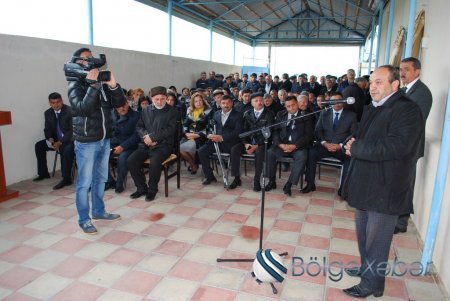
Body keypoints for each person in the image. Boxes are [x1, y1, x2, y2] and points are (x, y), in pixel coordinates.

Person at [341, 65, 422, 298]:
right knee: (364, 234)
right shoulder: (375, 107)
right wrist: (352, 141)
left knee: (377, 239)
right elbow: (363, 136)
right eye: (372, 82)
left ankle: (372, 284)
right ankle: (368, 269)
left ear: (395, 84)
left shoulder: (406, 110)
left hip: (385, 187)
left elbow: (397, 146)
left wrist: (357, 147)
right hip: (367, 183)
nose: (372, 87)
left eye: (379, 82)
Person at [67, 47, 125, 234]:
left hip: (104, 139)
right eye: (84, 60)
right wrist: (93, 86)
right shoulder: (75, 86)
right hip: (86, 141)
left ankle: (99, 212)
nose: (88, 62)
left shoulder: (99, 83)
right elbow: (83, 109)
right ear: (76, 63)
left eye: (90, 59)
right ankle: (84, 219)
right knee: (84, 183)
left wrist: (113, 85)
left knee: (101, 178)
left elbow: (119, 104)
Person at [394, 57, 433, 234]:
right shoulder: (404, 90)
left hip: (409, 148)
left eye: (407, 69)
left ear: (417, 71)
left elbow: (414, 122)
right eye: (401, 69)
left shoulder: (422, 93)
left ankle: (401, 222)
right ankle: (394, 216)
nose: (402, 73)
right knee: (398, 182)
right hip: (398, 145)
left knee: (405, 184)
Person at [127, 86, 179, 202]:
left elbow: (170, 129)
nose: (160, 102)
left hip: (163, 146)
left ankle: (152, 190)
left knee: (155, 162)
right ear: (152, 98)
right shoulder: (146, 110)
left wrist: (153, 137)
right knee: (131, 160)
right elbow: (139, 127)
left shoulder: (173, 111)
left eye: (162, 99)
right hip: (146, 145)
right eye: (157, 99)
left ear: (166, 98)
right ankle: (141, 188)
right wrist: (146, 137)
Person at [302, 92, 357, 195]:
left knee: (350, 158)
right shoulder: (324, 113)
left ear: (343, 102)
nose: (336, 103)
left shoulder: (351, 116)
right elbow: (317, 131)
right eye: (333, 101)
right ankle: (310, 184)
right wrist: (324, 143)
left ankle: (343, 188)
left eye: (339, 100)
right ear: (330, 102)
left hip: (341, 147)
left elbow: (353, 134)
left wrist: (340, 145)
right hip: (325, 146)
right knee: (311, 153)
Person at [265, 95, 313, 196]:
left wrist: (295, 146)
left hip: (298, 147)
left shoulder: (306, 116)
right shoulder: (280, 114)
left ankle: (289, 184)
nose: (291, 108)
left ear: (297, 104)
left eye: (293, 105)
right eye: (288, 106)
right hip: (283, 145)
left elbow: (308, 136)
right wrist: (280, 144)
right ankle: (271, 181)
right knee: (270, 152)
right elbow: (275, 132)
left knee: (302, 156)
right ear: (285, 107)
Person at [229, 92, 275, 191]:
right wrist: (246, 144)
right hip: (249, 142)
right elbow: (243, 131)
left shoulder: (270, 114)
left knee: (259, 152)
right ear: (252, 103)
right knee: (234, 149)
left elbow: (269, 133)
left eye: (261, 100)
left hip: (263, 143)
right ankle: (237, 178)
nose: (259, 102)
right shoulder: (247, 114)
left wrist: (256, 145)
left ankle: (257, 180)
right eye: (256, 101)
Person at [198, 95, 243, 185]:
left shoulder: (238, 115)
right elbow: (212, 127)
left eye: (228, 103)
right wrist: (211, 134)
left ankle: (237, 179)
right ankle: (210, 176)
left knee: (235, 151)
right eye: (223, 103)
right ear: (220, 104)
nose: (226, 105)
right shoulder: (216, 114)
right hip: (216, 142)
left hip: (231, 143)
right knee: (201, 151)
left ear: (232, 103)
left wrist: (222, 137)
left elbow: (238, 132)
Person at [33, 92, 74, 190]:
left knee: (65, 149)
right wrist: (50, 139)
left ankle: (66, 178)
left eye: (58, 102)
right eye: (53, 103)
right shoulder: (48, 113)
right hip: (55, 140)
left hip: (70, 140)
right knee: (38, 145)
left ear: (62, 101)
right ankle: (43, 173)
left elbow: (72, 130)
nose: (56, 105)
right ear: (49, 103)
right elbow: (47, 129)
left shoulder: (70, 111)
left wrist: (60, 142)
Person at [105, 101, 140, 193]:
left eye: (124, 105)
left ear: (128, 104)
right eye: (119, 106)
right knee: (99, 154)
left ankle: (119, 184)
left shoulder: (136, 116)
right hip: (114, 142)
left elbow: (137, 136)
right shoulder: (111, 114)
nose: (122, 108)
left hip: (130, 145)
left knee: (123, 158)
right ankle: (109, 181)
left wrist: (122, 146)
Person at [180, 92, 213, 174]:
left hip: (202, 136)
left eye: (200, 101)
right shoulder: (190, 112)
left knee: (185, 148)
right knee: (179, 148)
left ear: (203, 101)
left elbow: (210, 127)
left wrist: (198, 134)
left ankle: (194, 165)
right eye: (196, 101)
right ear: (193, 103)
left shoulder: (209, 111)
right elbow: (185, 125)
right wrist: (186, 133)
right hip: (189, 136)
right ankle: (193, 164)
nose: (198, 103)